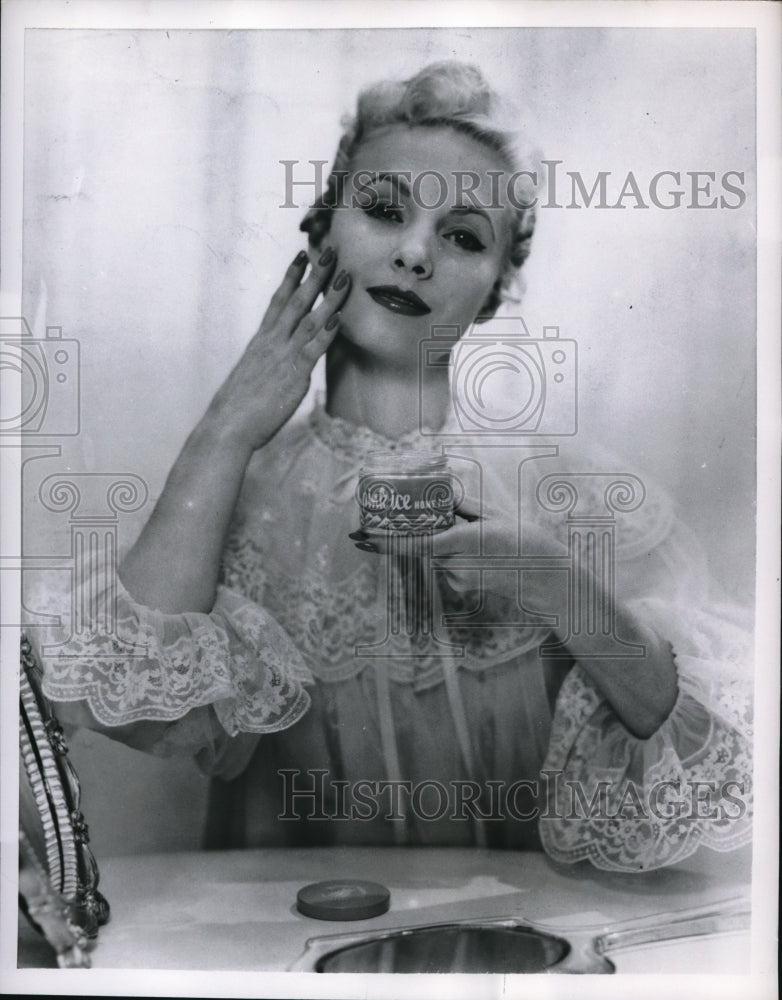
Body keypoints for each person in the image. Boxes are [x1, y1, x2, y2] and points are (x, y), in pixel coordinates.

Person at [35, 61, 752, 870]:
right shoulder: (237, 488)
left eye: (463, 236)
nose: (415, 253)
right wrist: (226, 430)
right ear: (319, 229)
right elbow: (115, 699)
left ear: (494, 291)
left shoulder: (567, 485)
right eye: (383, 211)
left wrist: (554, 580)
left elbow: (702, 746)